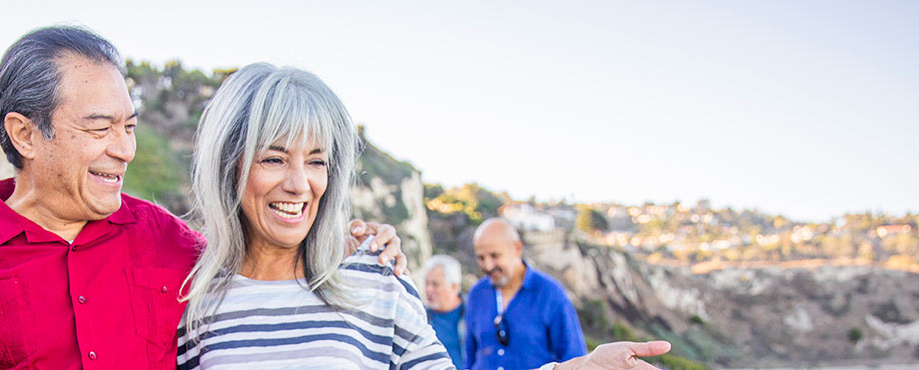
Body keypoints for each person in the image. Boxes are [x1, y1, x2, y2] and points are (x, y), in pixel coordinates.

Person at [0, 26, 408, 370]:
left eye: (129, 126)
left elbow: (258, 249)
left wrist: (347, 237)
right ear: (26, 135)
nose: (123, 149)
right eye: (99, 127)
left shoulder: (170, 243)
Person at [174, 63, 675, 370]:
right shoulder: (193, 302)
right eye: (274, 157)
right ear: (231, 163)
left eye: (317, 161)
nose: (299, 183)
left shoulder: (375, 280)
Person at [465, 218, 586, 370]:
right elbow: (470, 354)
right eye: (481, 258)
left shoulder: (551, 294)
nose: (488, 265)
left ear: (517, 248)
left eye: (495, 256)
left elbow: (574, 357)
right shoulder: (476, 294)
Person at [423, 255, 469, 369]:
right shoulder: (420, 317)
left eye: (435, 284)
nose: (429, 290)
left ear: (454, 286)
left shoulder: (474, 313)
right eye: (427, 283)